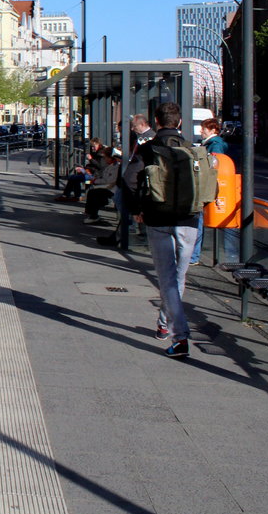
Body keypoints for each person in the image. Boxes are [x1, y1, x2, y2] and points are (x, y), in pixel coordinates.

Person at [124, 102, 199, 359]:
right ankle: (165, 324)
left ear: (157, 121)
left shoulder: (148, 149)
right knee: (179, 277)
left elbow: (129, 180)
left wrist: (138, 208)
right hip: (189, 221)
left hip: (158, 219)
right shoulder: (193, 149)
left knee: (167, 279)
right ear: (179, 122)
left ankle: (180, 337)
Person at [97, 114, 156, 247]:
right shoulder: (139, 137)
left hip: (137, 178)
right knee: (123, 202)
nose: (133, 129)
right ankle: (125, 232)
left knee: (126, 203)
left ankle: (126, 232)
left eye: (134, 126)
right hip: (132, 176)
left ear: (142, 124)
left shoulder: (149, 137)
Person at [190, 118, 237, 265]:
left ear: (212, 130)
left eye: (203, 128)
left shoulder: (215, 145)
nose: (201, 131)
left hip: (210, 188)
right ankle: (196, 256)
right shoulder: (212, 143)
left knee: (200, 220)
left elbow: (215, 166)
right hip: (213, 188)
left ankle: (195, 256)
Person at [82, 147, 121, 224]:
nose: (104, 159)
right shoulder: (111, 165)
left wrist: (95, 181)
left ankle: (93, 215)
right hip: (105, 185)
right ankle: (91, 213)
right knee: (90, 189)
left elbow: (109, 180)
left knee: (93, 193)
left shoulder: (116, 167)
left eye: (105, 157)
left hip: (111, 188)